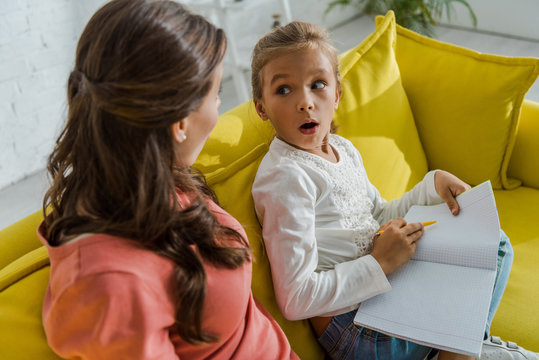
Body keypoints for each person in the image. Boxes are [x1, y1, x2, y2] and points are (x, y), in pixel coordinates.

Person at [250, 21, 538, 360]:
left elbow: (379, 215)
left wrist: (432, 184)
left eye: (317, 85)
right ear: (261, 107)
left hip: (387, 297)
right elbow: (296, 297)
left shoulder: (343, 150)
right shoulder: (285, 178)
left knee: (495, 244)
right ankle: (468, 347)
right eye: (284, 90)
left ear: (338, 94)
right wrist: (379, 262)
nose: (305, 102)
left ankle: (463, 346)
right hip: (358, 332)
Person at [39, 1, 298, 359]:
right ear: (179, 122)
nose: (220, 106)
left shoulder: (142, 174)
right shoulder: (107, 285)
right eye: (216, 93)